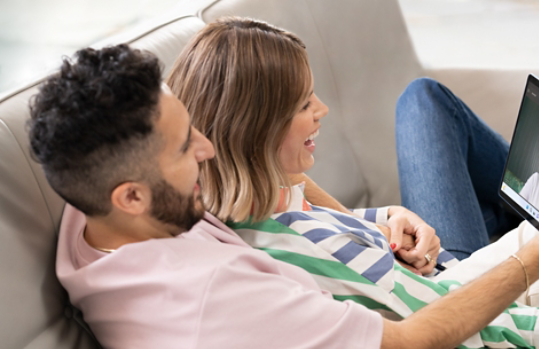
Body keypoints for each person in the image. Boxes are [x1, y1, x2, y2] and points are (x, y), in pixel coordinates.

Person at [27, 33, 539, 349]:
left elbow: (238, 146)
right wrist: (529, 260)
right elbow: (412, 340)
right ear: (131, 198)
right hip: (442, 317)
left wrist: (373, 223)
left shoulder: (101, 206)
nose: (206, 149)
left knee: (424, 102)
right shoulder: (214, 298)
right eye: (186, 148)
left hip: (419, 275)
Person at [166, 17, 538, 347]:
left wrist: (382, 219)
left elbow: (310, 212)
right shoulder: (297, 251)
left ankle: (514, 210)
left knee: (424, 98)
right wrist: (529, 263)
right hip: (457, 297)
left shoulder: (250, 198)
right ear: (253, 133)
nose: (321, 108)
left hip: (433, 273)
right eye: (302, 105)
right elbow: (462, 327)